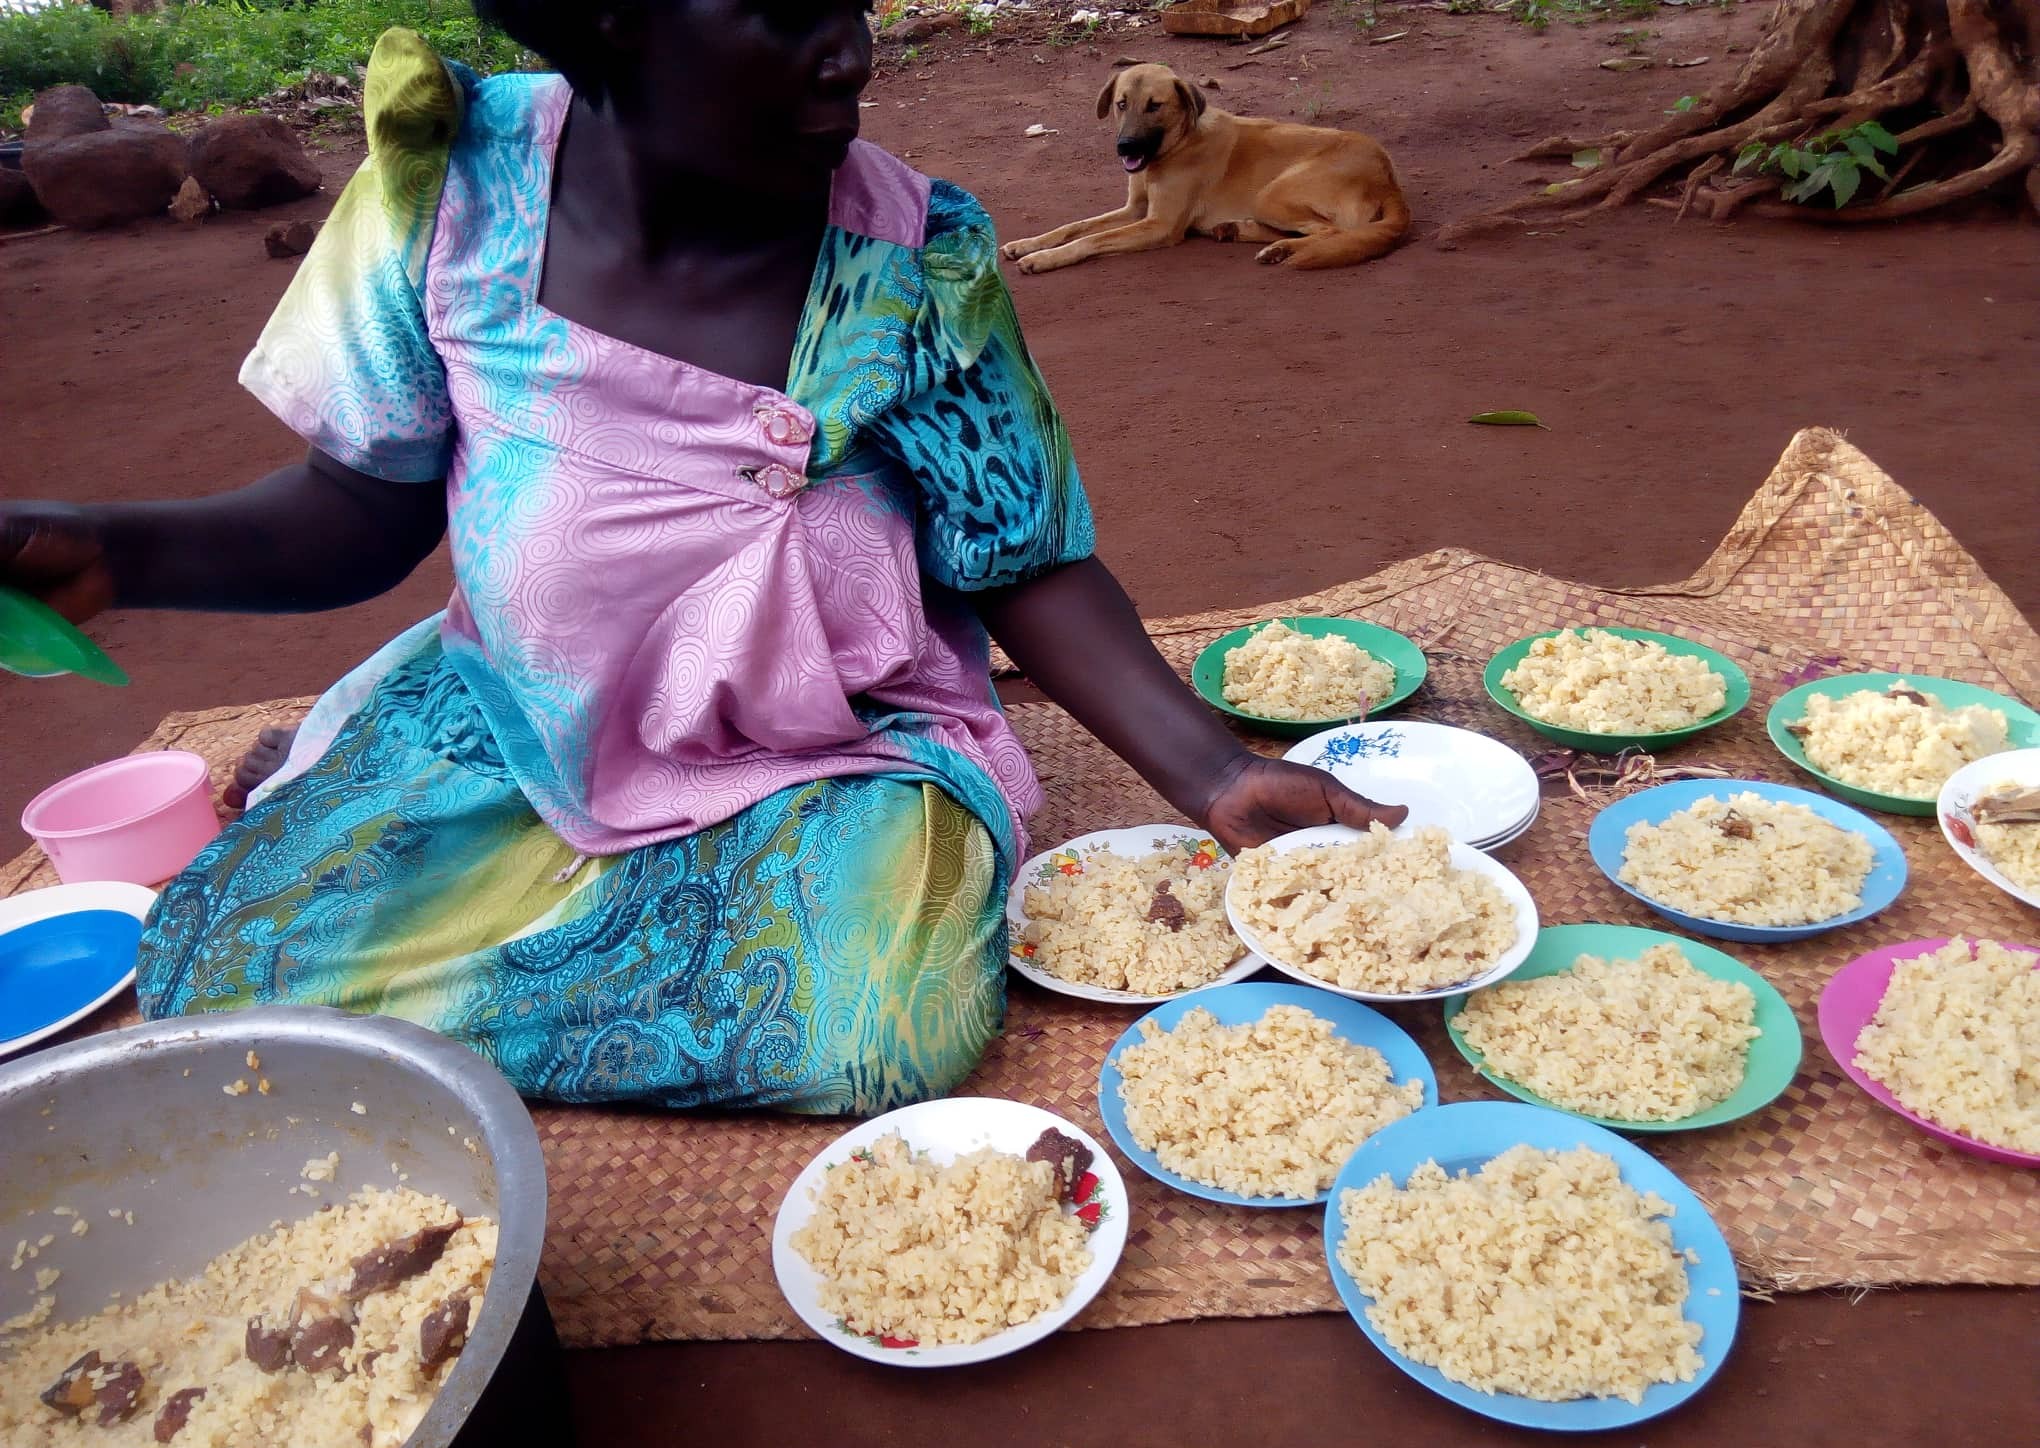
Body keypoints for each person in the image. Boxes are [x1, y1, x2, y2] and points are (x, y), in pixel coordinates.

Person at [0, 0, 1404, 1115]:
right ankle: (467, 866)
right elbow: (357, 512)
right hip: (527, 718)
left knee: (880, 1025)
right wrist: (119, 552)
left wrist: (1214, 771)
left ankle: (466, 921)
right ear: (608, 17)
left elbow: (1019, 555)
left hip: (824, 741)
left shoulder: (915, 253)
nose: (849, 46)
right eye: (782, 9)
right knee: (216, 954)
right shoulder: (449, 196)